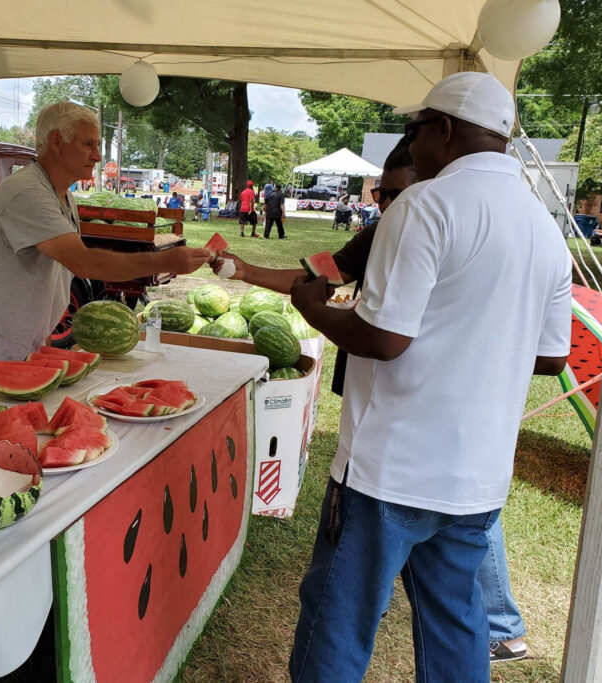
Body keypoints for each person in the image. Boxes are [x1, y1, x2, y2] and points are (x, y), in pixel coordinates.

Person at [282, 71, 572, 682]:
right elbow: (551, 357)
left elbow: (385, 338)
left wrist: (312, 309)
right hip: (477, 476)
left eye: (414, 130)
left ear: (442, 129)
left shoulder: (424, 204)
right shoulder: (546, 229)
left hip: (392, 469)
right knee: (454, 622)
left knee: (339, 617)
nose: (409, 144)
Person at [215, 136, 533, 666]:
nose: (387, 207)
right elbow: (317, 276)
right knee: (450, 606)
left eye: (397, 194)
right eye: (382, 196)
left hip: (404, 458)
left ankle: (503, 623)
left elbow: (380, 337)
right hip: (459, 462)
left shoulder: (452, 224)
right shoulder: (379, 234)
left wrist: (321, 315)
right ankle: (491, 622)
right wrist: (245, 270)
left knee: (347, 606)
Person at [0, 101, 213, 392]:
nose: (97, 155)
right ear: (57, 141)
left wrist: (42, 339)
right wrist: (165, 261)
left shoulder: (63, 197)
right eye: (88, 144)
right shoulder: (26, 193)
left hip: (20, 350)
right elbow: (84, 264)